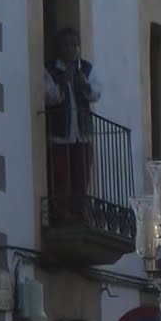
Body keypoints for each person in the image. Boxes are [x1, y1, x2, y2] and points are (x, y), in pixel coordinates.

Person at [43, 27, 101, 213]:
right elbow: (48, 97)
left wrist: (85, 86)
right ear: (60, 47)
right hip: (60, 134)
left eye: (74, 45)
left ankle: (79, 212)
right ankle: (61, 213)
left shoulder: (86, 68)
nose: (71, 48)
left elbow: (96, 93)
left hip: (82, 134)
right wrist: (62, 84)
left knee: (81, 176)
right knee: (60, 176)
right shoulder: (50, 70)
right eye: (67, 44)